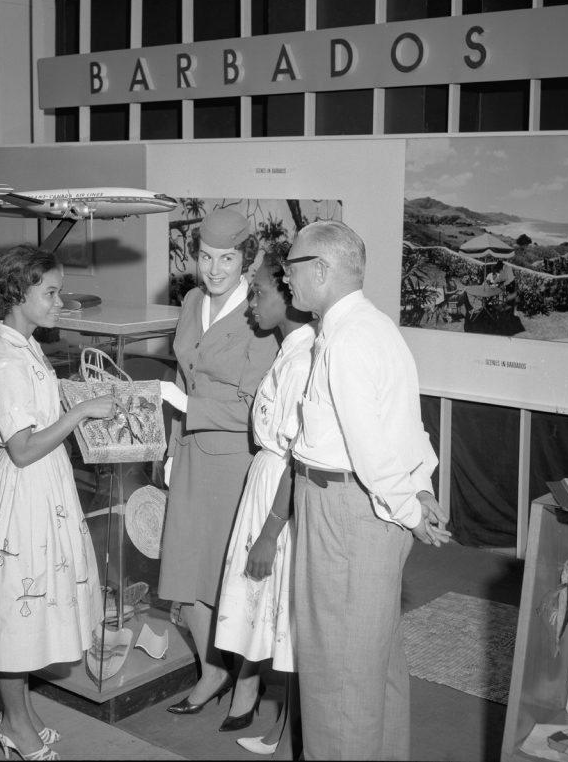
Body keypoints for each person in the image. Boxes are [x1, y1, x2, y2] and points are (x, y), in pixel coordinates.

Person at [282, 220, 451, 760]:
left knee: (337, 680)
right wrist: (419, 493)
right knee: (375, 667)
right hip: (367, 512)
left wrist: (407, 507)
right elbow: (407, 427)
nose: (287, 280)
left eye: (292, 267)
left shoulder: (348, 338)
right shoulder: (374, 327)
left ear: (322, 269)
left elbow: (370, 449)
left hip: (345, 514)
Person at [0, 245, 115, 762]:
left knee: (32, 609)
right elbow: (22, 448)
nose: (60, 302)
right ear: (17, 295)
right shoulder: (5, 360)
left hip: (44, 488)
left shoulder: (25, 346)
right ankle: (16, 727)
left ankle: (18, 715)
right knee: (16, 617)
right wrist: (82, 411)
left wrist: (71, 401)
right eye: (50, 292)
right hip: (24, 490)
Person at [156, 209, 279, 724]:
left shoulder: (259, 316)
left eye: (226, 258)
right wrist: (170, 445)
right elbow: (184, 378)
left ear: (245, 260)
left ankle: (248, 682)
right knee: (189, 568)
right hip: (188, 455)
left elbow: (259, 409)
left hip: (235, 461)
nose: (213, 269)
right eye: (205, 257)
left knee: (234, 576)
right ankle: (212, 669)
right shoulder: (189, 301)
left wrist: (189, 411)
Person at [213, 253, 314, 753]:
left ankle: (294, 732)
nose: (251, 303)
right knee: (273, 608)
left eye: (259, 293)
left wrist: (272, 531)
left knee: (290, 613)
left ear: (288, 296)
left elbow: (299, 455)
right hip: (268, 480)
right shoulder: (288, 350)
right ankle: (284, 724)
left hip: (282, 490)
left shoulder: (302, 359)